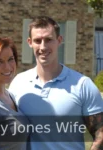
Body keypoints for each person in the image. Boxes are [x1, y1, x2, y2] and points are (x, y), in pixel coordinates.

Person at [9, 16, 103, 150]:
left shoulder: (82, 85)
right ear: (30, 42)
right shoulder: (18, 83)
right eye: (37, 40)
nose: (43, 46)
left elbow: (100, 134)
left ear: (59, 41)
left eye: (48, 40)